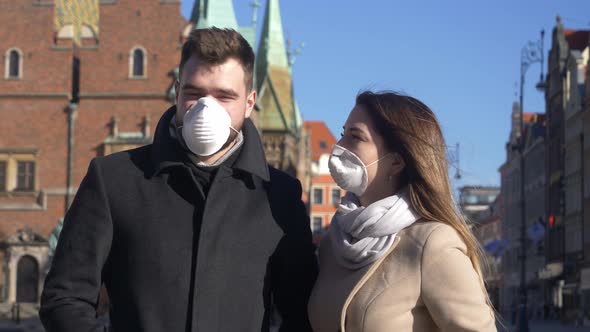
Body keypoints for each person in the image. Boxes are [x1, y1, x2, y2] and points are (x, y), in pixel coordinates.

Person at [39, 27, 318, 332]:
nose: (206, 108)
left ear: (249, 103)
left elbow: (301, 312)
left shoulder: (279, 195)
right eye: (195, 93)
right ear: (177, 91)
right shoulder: (114, 179)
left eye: (225, 96)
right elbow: (65, 298)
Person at [308, 91, 497, 331]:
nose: (339, 146)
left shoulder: (431, 243)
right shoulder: (333, 242)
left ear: (396, 161)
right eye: (343, 134)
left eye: (355, 137)